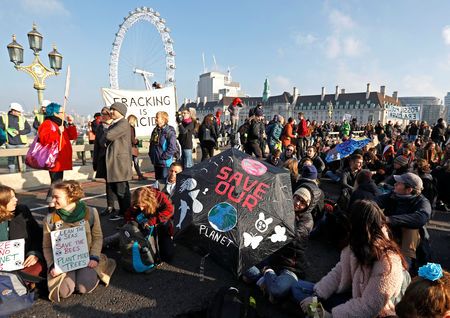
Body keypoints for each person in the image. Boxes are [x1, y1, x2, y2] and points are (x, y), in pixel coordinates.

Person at [293, 200, 409, 317]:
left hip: (372, 313)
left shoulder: (388, 262)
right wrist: (317, 294)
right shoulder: (357, 244)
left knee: (307, 302)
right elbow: (339, 271)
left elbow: (369, 307)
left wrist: (329, 315)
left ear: (358, 227)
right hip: (350, 297)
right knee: (298, 288)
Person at [42, 180, 116, 302]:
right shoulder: (50, 219)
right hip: (63, 262)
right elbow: (47, 247)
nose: (52, 201)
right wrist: (51, 265)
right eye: (52, 197)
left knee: (83, 287)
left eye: (56, 197)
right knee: (64, 292)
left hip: (87, 259)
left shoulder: (91, 213)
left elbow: (97, 237)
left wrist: (94, 257)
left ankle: (103, 264)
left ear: (71, 197)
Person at [244, 187, 314, 303]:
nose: (297, 203)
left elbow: (294, 238)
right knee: (242, 261)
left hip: (290, 266)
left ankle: (265, 276)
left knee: (277, 290)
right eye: (297, 198)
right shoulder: (282, 209)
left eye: (302, 202)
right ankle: (263, 281)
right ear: (292, 196)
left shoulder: (307, 220)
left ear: (307, 206)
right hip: (271, 259)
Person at [375, 172, 432, 270]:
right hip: (392, 232)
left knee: (411, 230)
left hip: (411, 241)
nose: (395, 184)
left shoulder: (422, 202)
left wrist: (390, 219)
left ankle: (406, 267)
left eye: (399, 183)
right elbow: (375, 202)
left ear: (409, 189)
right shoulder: (393, 195)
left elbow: (421, 218)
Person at [0, 185, 45, 282]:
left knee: (38, 268)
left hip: (24, 262)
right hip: (3, 268)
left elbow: (37, 235)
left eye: (15, 196)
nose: (16, 199)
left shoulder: (22, 211)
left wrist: (34, 254)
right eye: (11, 198)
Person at [38, 102, 78, 202]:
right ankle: (53, 203)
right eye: (62, 112)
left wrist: (71, 124)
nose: (64, 113)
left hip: (60, 157)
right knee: (56, 182)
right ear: (55, 113)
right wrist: (57, 132)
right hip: (53, 157)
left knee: (57, 182)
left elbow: (72, 136)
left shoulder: (61, 123)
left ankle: (52, 200)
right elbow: (44, 140)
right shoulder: (47, 123)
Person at [125, 186, 175, 262]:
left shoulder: (160, 196)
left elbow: (170, 210)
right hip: (143, 227)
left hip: (160, 226)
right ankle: (109, 241)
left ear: (148, 200)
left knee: (167, 256)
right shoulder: (136, 200)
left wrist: (151, 221)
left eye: (143, 205)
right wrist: (134, 223)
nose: (141, 208)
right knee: (128, 231)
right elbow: (128, 216)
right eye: (138, 206)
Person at [102, 102, 132, 221]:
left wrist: (105, 127)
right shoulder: (117, 123)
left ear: (121, 112)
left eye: (114, 110)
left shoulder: (123, 123)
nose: (111, 112)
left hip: (120, 163)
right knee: (117, 189)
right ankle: (123, 212)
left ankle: (127, 215)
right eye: (111, 109)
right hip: (115, 162)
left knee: (121, 190)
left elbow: (109, 136)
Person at [93, 107, 117, 216]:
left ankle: (123, 208)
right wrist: (95, 162)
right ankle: (110, 206)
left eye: (105, 113)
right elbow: (97, 145)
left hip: (116, 159)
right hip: (104, 158)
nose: (102, 116)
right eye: (102, 113)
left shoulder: (117, 126)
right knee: (108, 184)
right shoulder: (99, 128)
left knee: (119, 184)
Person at [0, 102, 31, 173]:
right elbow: (0, 130)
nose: (20, 113)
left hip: (21, 143)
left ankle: (23, 174)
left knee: (23, 160)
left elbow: (28, 129)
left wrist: (19, 132)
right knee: (11, 160)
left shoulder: (22, 118)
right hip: (10, 143)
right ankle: (12, 174)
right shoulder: (4, 118)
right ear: (13, 111)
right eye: (19, 112)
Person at [149, 111, 178, 179]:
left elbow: (172, 147)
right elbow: (152, 144)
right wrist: (151, 154)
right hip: (156, 161)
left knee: (164, 182)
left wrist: (163, 157)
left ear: (163, 119)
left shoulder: (169, 131)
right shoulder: (155, 130)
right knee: (158, 183)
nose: (155, 119)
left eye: (157, 117)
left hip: (164, 162)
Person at [127, 114, 146, 180]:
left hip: (127, 147)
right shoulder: (131, 128)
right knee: (135, 162)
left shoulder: (126, 127)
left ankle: (131, 175)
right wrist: (137, 141)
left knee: (130, 162)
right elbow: (133, 140)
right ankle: (139, 175)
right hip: (132, 147)